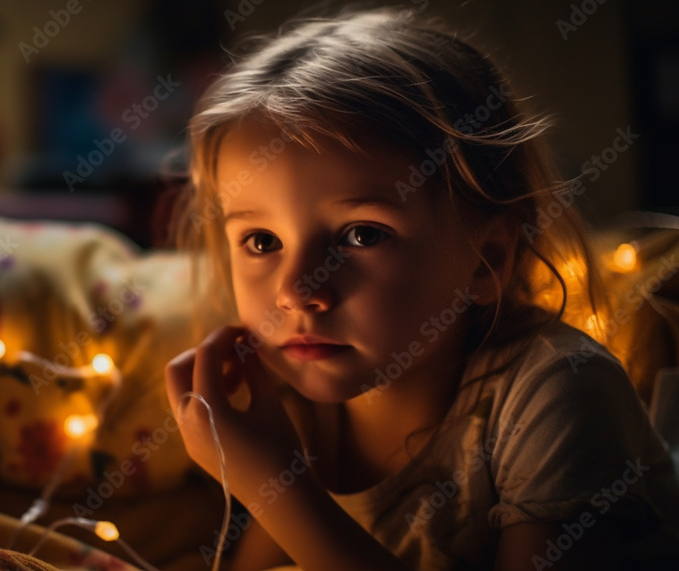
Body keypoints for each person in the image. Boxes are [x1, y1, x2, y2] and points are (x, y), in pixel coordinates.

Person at [164, 7, 679, 570]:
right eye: (262, 241)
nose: (295, 290)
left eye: (361, 234)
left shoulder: (557, 392)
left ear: (487, 260)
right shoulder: (298, 407)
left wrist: (275, 488)